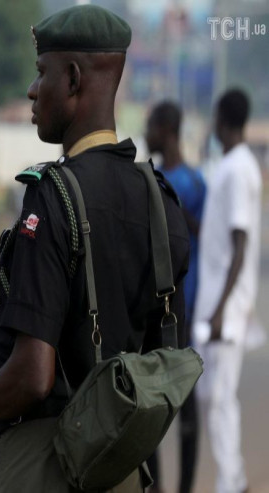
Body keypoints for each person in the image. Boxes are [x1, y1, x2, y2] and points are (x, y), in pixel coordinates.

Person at [0, 5, 190, 492]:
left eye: (42, 73)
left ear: (74, 79)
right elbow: (166, 354)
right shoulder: (161, 200)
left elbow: (33, 377)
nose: (33, 90)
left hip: (48, 467)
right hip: (119, 468)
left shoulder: (52, 196)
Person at [192, 88, 261, 493]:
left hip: (226, 306)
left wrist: (220, 310)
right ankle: (230, 476)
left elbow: (239, 243)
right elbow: (220, 238)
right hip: (221, 302)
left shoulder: (237, 169)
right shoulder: (234, 166)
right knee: (214, 396)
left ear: (223, 120)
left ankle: (230, 481)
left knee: (219, 398)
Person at [145, 101, 206, 493]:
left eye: (150, 126)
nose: (146, 134)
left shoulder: (190, 183)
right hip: (152, 306)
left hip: (181, 304)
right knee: (152, 400)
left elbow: (203, 235)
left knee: (176, 396)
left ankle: (180, 487)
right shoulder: (151, 178)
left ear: (166, 129)